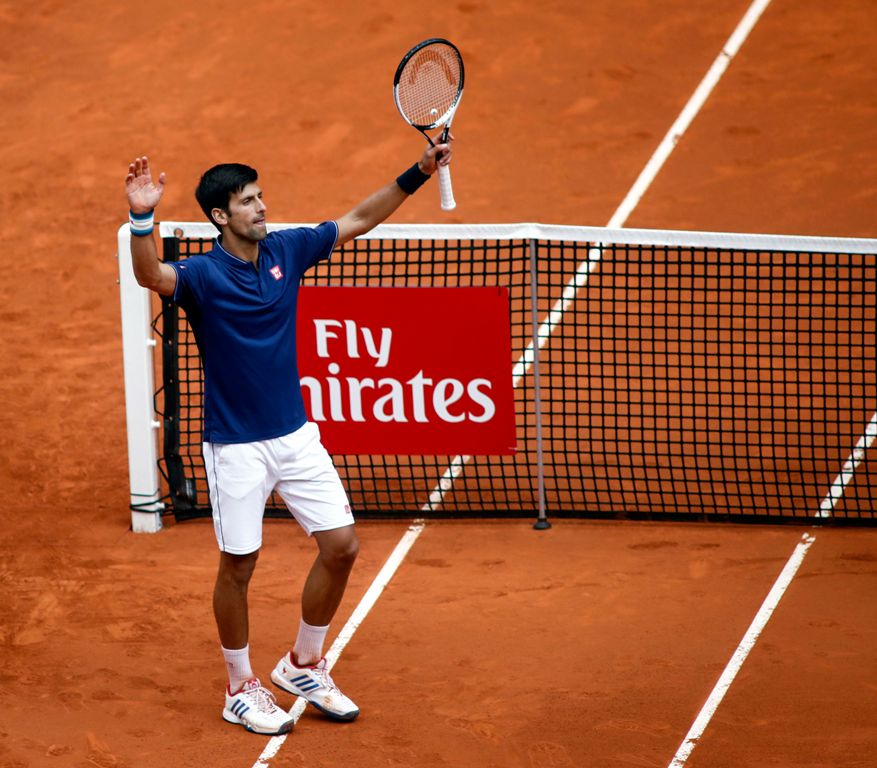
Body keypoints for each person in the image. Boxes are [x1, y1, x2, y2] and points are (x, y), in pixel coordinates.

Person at [124, 136, 452, 736]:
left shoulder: (289, 250)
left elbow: (358, 218)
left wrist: (420, 171)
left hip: (297, 436)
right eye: (248, 201)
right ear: (220, 216)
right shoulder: (200, 275)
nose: (261, 208)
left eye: (261, 196)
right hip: (236, 447)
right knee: (239, 565)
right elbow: (149, 272)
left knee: (343, 546)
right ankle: (240, 685)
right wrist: (142, 217)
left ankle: (302, 664)